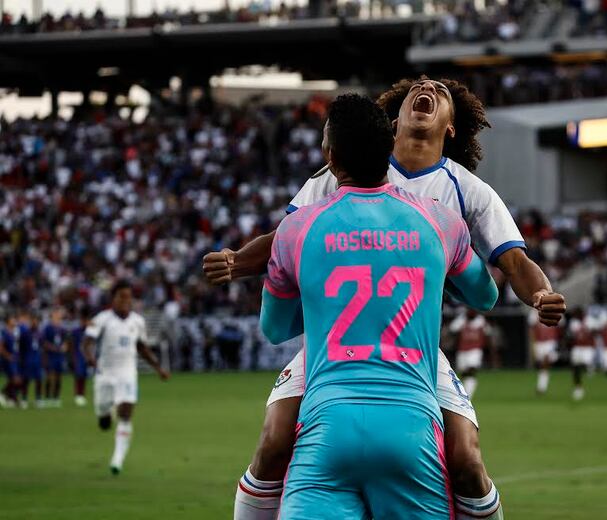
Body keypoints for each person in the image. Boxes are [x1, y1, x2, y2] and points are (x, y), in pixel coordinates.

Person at [210, 77, 565, 520]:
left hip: (411, 342)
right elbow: (283, 236)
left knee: (467, 459)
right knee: (273, 442)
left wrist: (541, 293)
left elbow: (514, 260)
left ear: (451, 127)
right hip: (334, 341)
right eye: (418, 86)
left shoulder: (468, 190)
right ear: (392, 123)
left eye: (440, 91)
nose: (427, 88)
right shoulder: (349, 165)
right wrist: (237, 261)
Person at [259, 93, 498, 519]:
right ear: (390, 147)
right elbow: (485, 296)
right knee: (469, 465)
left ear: (331, 159)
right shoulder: (440, 221)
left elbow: (275, 329)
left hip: (327, 428)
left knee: (269, 452)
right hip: (412, 429)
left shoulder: (295, 229)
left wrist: (325, 302)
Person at [82, 280, 170, 474]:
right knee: (104, 423)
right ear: (113, 298)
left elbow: (141, 347)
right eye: (121, 296)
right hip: (104, 374)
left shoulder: (137, 322)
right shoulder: (102, 319)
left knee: (126, 412)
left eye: (128, 297)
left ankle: (117, 460)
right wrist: (89, 357)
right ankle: (107, 411)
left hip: (127, 373)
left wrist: (158, 368)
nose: (125, 300)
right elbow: (87, 342)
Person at [450, 307, 492, 398]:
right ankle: (464, 393)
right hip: (462, 351)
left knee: (471, 370)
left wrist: (490, 351)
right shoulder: (461, 320)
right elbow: (452, 329)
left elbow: (488, 334)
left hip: (475, 350)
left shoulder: (481, 321)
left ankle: (468, 395)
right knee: (464, 373)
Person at [528, 308, 561, 395]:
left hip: (550, 342)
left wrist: (559, 342)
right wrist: (532, 343)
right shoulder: (534, 312)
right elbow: (531, 329)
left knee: (545, 363)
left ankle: (541, 387)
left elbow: (559, 326)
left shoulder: (554, 308)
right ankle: (542, 386)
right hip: (539, 342)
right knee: (541, 366)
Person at [568, 307, 597, 401]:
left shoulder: (590, 320)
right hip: (577, 346)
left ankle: (590, 367)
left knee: (585, 363)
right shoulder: (574, 322)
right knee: (575, 367)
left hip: (588, 347)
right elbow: (572, 336)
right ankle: (578, 387)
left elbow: (596, 333)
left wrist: (588, 330)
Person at [42, 308, 68, 407]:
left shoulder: (62, 329)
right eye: (56, 315)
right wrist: (52, 348)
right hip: (50, 355)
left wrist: (65, 346)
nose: (58, 317)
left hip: (59, 356)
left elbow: (66, 341)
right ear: (52, 316)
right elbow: (44, 342)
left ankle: (56, 397)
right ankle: (47, 397)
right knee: (49, 376)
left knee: (58, 377)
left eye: (59, 315)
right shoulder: (47, 328)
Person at [18, 312, 44, 409]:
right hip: (28, 359)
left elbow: (42, 346)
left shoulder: (40, 333)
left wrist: (42, 360)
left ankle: (38, 399)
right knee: (26, 380)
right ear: (30, 321)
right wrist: (22, 360)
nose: (35, 322)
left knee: (38, 380)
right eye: (33, 320)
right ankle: (24, 399)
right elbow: (21, 348)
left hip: (37, 359)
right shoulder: (25, 334)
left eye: (36, 320)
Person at [68, 309, 90, 407]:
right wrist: (73, 357)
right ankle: (77, 395)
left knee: (84, 376)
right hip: (78, 356)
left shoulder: (89, 332)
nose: (85, 323)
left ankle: (82, 395)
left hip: (87, 356)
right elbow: (72, 345)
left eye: (86, 321)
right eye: (83, 321)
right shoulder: (76, 332)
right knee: (78, 376)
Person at [0, 313, 21, 408]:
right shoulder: (4, 332)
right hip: (8, 360)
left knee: (14, 380)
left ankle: (9, 397)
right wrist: (8, 356)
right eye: (12, 319)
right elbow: (1, 347)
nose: (14, 321)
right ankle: (8, 396)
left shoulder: (15, 331)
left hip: (15, 358)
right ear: (8, 321)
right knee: (16, 379)